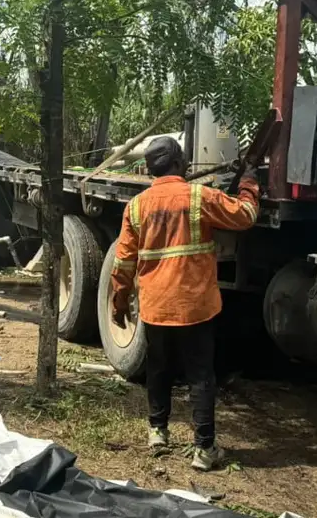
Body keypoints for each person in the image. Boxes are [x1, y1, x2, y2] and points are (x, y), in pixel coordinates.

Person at [110, 136, 259, 471]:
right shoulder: (198, 197)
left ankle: (158, 432)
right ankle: (204, 450)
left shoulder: (136, 206)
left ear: (150, 169)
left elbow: (123, 264)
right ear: (179, 163)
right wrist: (249, 180)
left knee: (159, 370)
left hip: (155, 306)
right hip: (195, 306)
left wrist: (119, 304)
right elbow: (245, 215)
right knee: (200, 376)